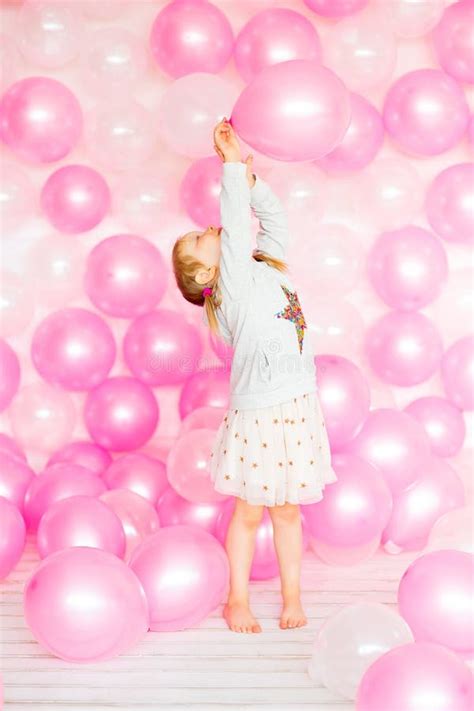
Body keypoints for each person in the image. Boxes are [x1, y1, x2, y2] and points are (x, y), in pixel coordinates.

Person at [172, 118, 338, 634]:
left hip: (296, 407)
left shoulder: (268, 266)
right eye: (202, 238)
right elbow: (238, 225)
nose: (213, 230)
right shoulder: (232, 292)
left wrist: (249, 177)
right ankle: (236, 600)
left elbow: (273, 221)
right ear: (206, 276)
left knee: (288, 512)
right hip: (261, 415)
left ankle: (292, 597)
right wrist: (228, 168)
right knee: (248, 513)